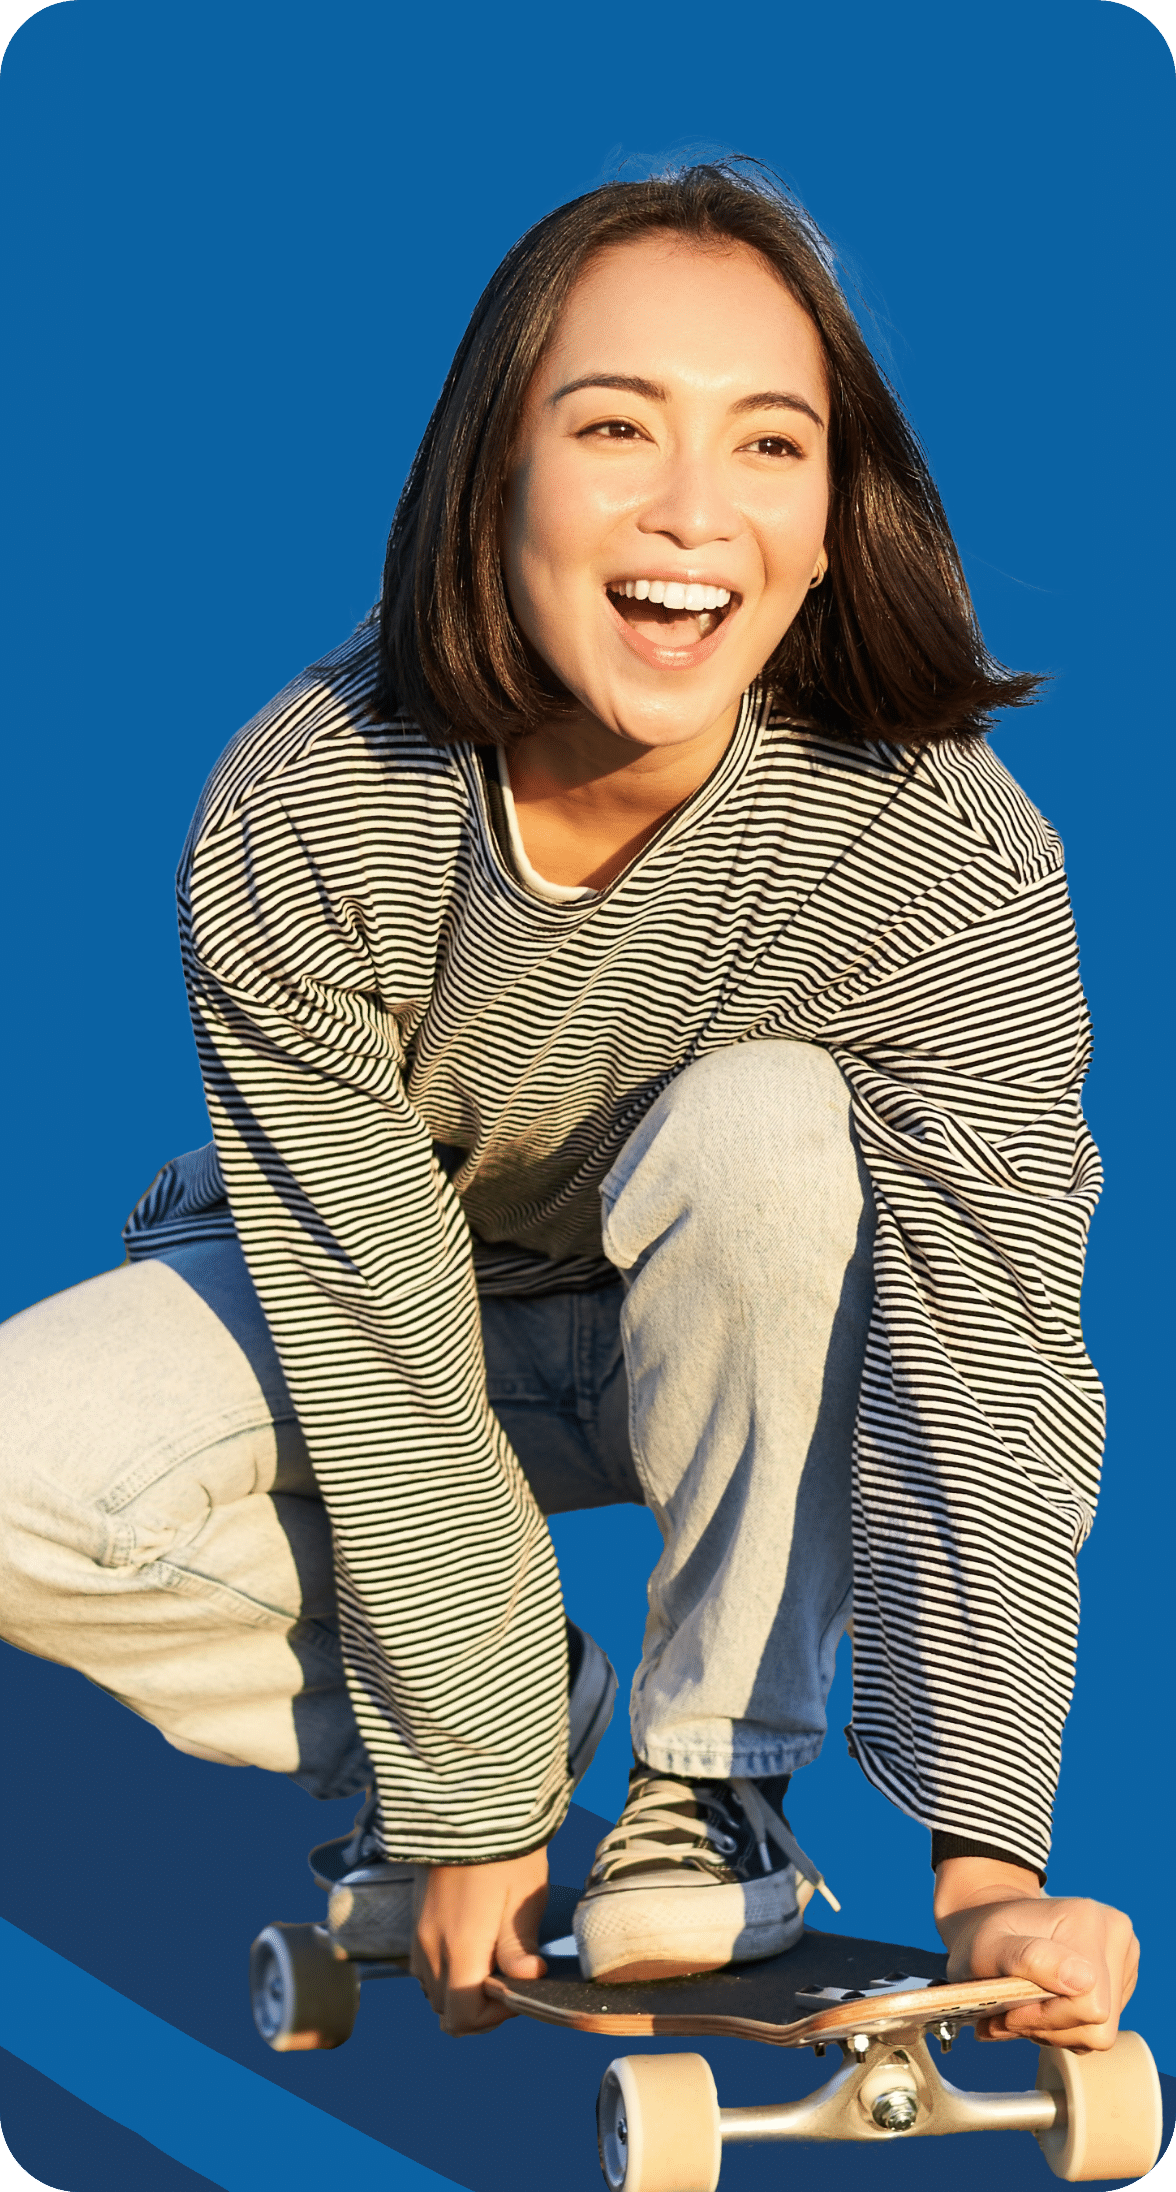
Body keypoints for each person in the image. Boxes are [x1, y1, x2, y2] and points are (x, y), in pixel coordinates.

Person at [0, 160, 1140, 2048]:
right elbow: (371, 1326)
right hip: (363, 1295)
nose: (696, 512)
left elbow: (989, 1332)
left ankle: (715, 1782)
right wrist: (477, 1778)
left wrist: (989, 1867)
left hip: (736, 1344)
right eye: (616, 426)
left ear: (835, 523)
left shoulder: (938, 846)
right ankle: (521, 1704)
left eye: (770, 446)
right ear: (494, 476)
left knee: (773, 1124)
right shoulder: (313, 801)